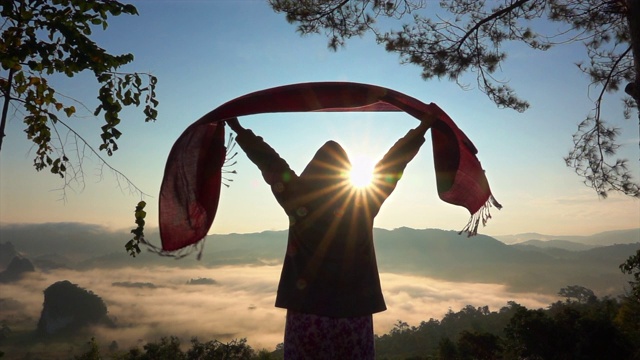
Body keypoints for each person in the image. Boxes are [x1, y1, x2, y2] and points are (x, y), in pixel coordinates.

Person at [226, 117, 431, 359]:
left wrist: (239, 130)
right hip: (355, 311)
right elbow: (392, 164)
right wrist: (421, 129)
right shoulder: (363, 203)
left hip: (306, 310)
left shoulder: (297, 198)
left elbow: (271, 163)